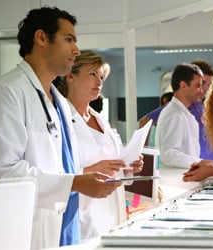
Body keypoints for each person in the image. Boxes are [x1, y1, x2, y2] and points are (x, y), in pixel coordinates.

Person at [0, 7, 122, 248]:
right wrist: (75, 182)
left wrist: (81, 181)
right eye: (69, 39)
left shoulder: (58, 101)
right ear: (41, 38)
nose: (76, 50)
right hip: (32, 229)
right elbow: (3, 172)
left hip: (68, 222)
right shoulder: (7, 92)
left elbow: (65, 164)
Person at [58, 50, 144, 240]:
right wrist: (88, 171)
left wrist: (129, 166)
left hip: (112, 211)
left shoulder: (99, 119)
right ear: (70, 76)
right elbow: (53, 174)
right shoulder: (60, 119)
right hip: (83, 216)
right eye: (92, 74)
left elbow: (114, 164)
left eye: (101, 76)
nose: (99, 82)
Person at [155, 63, 213, 169]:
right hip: (177, 180)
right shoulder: (175, 115)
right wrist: (200, 162)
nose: (201, 91)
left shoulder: (184, 114)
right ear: (183, 85)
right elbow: (168, 154)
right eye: (197, 86)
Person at [188, 59, 213, 161]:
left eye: (208, 84)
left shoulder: (208, 107)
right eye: (202, 83)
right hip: (197, 164)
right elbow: (145, 120)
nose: (205, 88)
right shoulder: (181, 106)